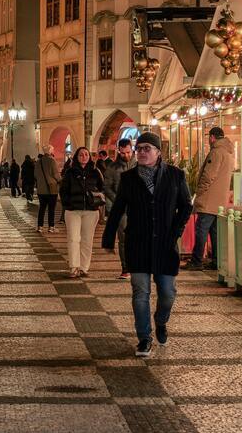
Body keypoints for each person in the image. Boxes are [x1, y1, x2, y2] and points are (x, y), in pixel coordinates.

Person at [101, 131, 192, 357]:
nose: (141, 152)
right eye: (138, 149)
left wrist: (175, 232)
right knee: (140, 292)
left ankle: (161, 321)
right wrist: (108, 237)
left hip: (165, 245)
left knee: (167, 293)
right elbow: (118, 209)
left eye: (146, 149)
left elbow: (186, 206)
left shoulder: (175, 175)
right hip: (138, 243)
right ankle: (144, 338)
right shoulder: (129, 178)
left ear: (158, 152)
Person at [191, 127, 235, 269]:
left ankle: (197, 261)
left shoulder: (216, 152)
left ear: (212, 137)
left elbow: (208, 175)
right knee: (214, 232)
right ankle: (216, 261)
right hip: (220, 200)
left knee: (201, 230)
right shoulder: (228, 153)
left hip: (209, 199)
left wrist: (199, 191)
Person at [60, 147, 105, 278]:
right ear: (77, 157)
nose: (84, 156)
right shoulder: (70, 172)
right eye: (81, 154)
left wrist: (97, 197)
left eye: (86, 154)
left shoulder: (95, 171)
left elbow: (102, 187)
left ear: (89, 157)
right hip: (73, 210)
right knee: (73, 239)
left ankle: (84, 267)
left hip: (91, 210)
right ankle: (74, 267)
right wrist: (67, 203)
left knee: (87, 240)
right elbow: (63, 190)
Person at [104, 137, 135, 280]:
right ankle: (126, 268)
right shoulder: (112, 167)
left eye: (128, 152)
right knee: (123, 238)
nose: (126, 155)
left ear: (132, 149)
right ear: (119, 151)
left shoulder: (140, 164)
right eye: (123, 153)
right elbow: (107, 187)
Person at [34, 145, 61, 231]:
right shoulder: (52, 161)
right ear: (50, 151)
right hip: (51, 189)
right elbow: (56, 174)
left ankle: (40, 226)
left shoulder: (38, 162)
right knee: (51, 208)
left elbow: (35, 175)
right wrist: (60, 180)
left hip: (41, 189)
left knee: (42, 208)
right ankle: (51, 227)